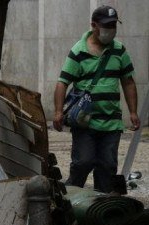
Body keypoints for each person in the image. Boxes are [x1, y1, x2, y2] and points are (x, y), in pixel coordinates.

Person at [53, 5, 140, 192]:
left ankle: (102, 207)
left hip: (111, 123)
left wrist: (133, 112)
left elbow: (128, 82)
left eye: (114, 26)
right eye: (106, 26)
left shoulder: (119, 51)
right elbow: (62, 82)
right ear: (93, 25)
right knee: (83, 163)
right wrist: (59, 111)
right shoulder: (78, 51)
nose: (110, 30)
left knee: (107, 167)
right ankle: (70, 201)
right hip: (85, 123)